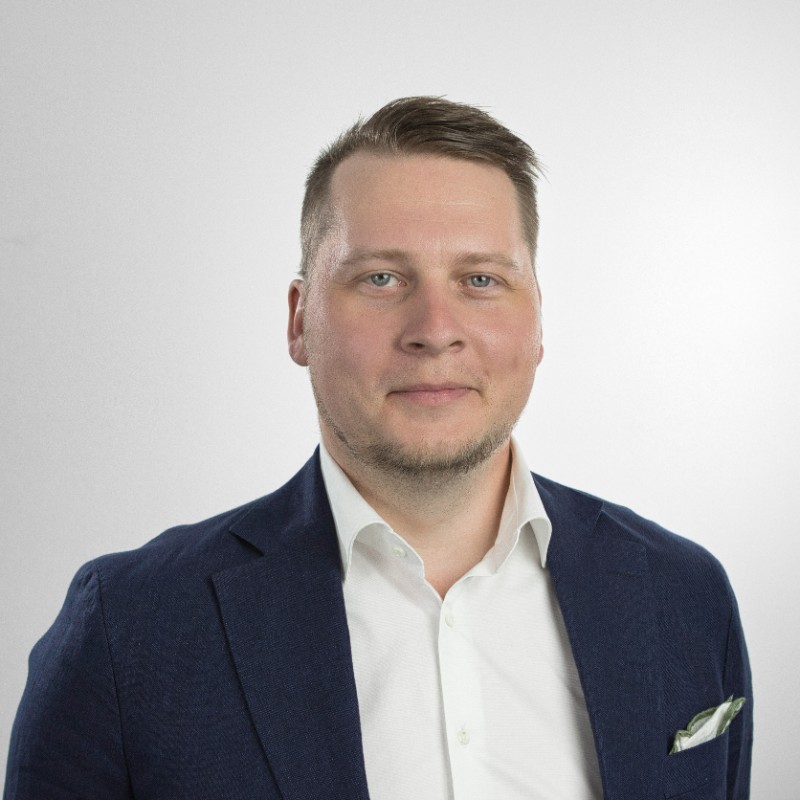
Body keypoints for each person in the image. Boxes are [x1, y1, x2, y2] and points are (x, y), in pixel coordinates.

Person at [4, 97, 752, 800]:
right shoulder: (128, 630)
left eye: (481, 279)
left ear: (537, 320)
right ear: (300, 320)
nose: (435, 329)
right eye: (382, 278)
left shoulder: (682, 594)